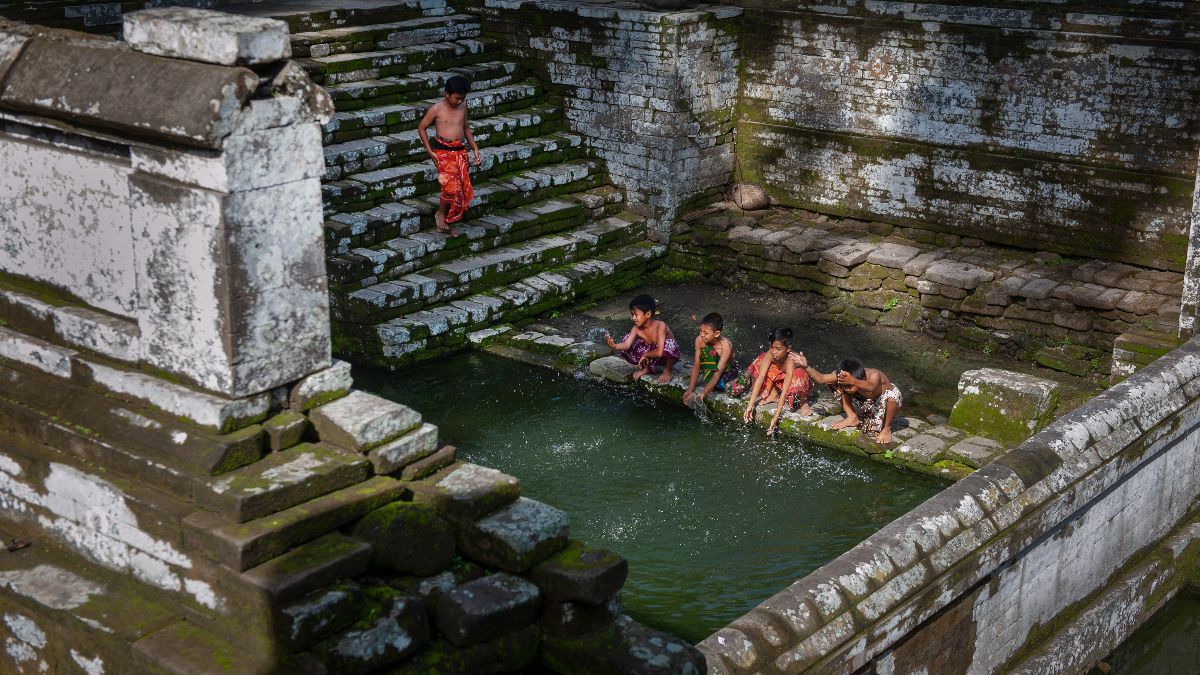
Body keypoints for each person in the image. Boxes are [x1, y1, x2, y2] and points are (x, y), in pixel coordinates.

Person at [417, 75, 482, 236]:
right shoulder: (436, 108)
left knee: (458, 189)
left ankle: (443, 218)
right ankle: (441, 215)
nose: (460, 101)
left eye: (463, 98)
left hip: (460, 151)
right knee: (451, 187)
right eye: (457, 98)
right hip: (443, 152)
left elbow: (465, 128)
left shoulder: (463, 106)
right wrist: (429, 151)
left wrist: (474, 147)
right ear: (447, 94)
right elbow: (421, 127)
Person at [799, 356, 902, 444]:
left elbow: (871, 387)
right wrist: (806, 366)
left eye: (849, 386)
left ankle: (886, 428)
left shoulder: (874, 375)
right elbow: (821, 378)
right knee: (832, 381)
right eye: (845, 386)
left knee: (892, 397)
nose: (846, 389)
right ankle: (852, 417)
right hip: (864, 401)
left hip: (882, 403)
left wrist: (854, 381)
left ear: (860, 378)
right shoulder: (845, 376)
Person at [738, 327, 813, 435]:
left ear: (788, 349)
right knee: (761, 359)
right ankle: (773, 395)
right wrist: (750, 405)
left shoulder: (791, 360)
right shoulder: (771, 353)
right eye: (772, 348)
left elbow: (784, 392)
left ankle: (803, 402)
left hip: (797, 383)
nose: (774, 352)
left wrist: (776, 417)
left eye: (778, 349)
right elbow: (760, 378)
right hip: (782, 379)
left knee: (800, 372)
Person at [605, 294, 680, 383]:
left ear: (648, 314)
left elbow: (659, 352)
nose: (633, 318)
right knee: (627, 338)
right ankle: (647, 368)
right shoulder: (636, 329)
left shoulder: (660, 326)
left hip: (667, 356)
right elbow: (626, 344)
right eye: (632, 315)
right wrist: (615, 346)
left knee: (670, 344)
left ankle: (668, 370)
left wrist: (645, 355)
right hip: (652, 354)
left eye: (636, 315)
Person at [683, 312, 738, 405]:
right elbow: (697, 365)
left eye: (705, 333)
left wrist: (704, 392)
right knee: (707, 352)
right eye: (700, 331)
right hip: (710, 368)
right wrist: (690, 389)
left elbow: (717, 373)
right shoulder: (700, 340)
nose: (702, 335)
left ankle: (714, 385)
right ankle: (710, 383)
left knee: (733, 390)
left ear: (716, 333)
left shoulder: (725, 347)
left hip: (725, 372)